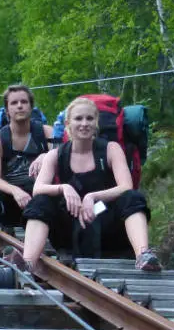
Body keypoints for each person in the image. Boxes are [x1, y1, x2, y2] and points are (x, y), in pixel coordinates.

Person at [14, 97, 162, 272]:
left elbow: (126, 186)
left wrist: (92, 197)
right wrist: (64, 188)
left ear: (96, 122)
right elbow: (38, 189)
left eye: (89, 119)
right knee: (40, 202)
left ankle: (143, 255)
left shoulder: (111, 149)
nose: (84, 123)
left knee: (132, 197)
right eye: (78, 119)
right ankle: (28, 263)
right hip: (69, 226)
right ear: (68, 123)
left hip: (105, 222)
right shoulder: (55, 155)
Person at [0, 84, 53, 251]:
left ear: (31, 106)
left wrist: (47, 156)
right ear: (7, 109)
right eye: (14, 103)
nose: (20, 106)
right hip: (11, 203)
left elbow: (64, 162)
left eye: (24, 102)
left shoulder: (47, 133)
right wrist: (15, 190)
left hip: (40, 201)